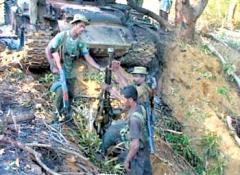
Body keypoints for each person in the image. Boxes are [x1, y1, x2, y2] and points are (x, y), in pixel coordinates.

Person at [46, 14, 104, 121]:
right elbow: (49, 50)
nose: (83, 29)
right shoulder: (62, 36)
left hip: (70, 71)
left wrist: (98, 67)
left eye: (84, 27)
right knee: (60, 93)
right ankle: (54, 118)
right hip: (60, 69)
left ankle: (67, 114)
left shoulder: (80, 42)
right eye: (81, 26)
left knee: (71, 93)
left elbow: (87, 56)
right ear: (75, 25)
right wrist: (53, 66)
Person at [121, 85, 152, 175]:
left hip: (138, 156)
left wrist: (127, 160)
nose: (122, 101)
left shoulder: (134, 120)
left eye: (124, 99)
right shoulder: (140, 108)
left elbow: (135, 145)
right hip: (145, 151)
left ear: (130, 100)